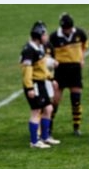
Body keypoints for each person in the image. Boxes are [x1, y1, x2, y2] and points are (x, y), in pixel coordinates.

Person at [20, 21, 60, 149]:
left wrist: (51, 78)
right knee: (36, 111)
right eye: (44, 34)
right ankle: (34, 141)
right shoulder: (29, 50)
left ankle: (45, 137)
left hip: (41, 82)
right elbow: (27, 70)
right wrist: (29, 87)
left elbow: (41, 67)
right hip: (34, 84)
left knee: (48, 109)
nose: (47, 37)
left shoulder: (39, 48)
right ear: (38, 36)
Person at [49, 13, 88, 136]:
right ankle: (48, 127)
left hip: (75, 69)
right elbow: (48, 52)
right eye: (65, 29)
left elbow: (84, 44)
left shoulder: (79, 33)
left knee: (76, 100)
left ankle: (76, 127)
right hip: (60, 70)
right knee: (55, 101)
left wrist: (82, 58)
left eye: (69, 28)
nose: (67, 31)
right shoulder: (54, 37)